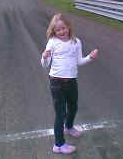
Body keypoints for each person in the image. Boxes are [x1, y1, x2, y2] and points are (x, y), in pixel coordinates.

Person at [41, 13, 99, 155]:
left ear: (68, 27)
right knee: (60, 113)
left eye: (63, 28)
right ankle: (59, 144)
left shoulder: (76, 42)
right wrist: (44, 56)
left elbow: (79, 61)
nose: (61, 32)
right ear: (54, 31)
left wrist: (90, 58)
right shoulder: (52, 42)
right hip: (56, 81)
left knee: (73, 107)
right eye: (58, 30)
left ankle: (69, 126)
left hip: (71, 80)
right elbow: (45, 65)